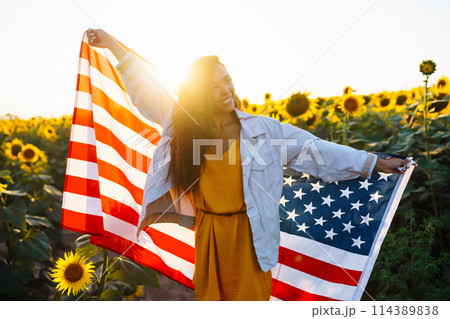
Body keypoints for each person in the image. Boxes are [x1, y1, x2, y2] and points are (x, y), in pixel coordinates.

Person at [86, 28, 412, 301]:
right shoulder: (183, 126)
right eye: (213, 87)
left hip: (252, 235)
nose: (225, 90)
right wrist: (112, 44)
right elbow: (146, 91)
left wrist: (374, 163)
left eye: (226, 80)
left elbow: (317, 151)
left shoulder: (264, 130)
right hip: (210, 233)